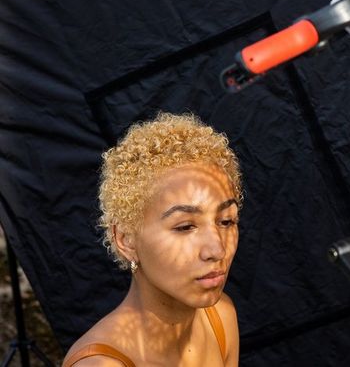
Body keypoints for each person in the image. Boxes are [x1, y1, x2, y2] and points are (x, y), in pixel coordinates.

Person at [63, 112, 242, 366]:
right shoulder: (101, 364)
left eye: (226, 221)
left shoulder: (220, 317)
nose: (217, 249)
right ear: (126, 240)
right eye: (185, 226)